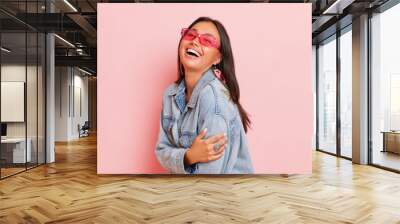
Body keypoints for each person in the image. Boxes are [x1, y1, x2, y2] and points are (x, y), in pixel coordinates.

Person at [155, 17, 253, 174]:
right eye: (190, 35)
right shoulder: (170, 95)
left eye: (207, 41)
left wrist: (179, 158)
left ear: (218, 58)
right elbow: (161, 151)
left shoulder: (214, 100)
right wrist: (189, 156)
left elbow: (210, 182)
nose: (195, 41)